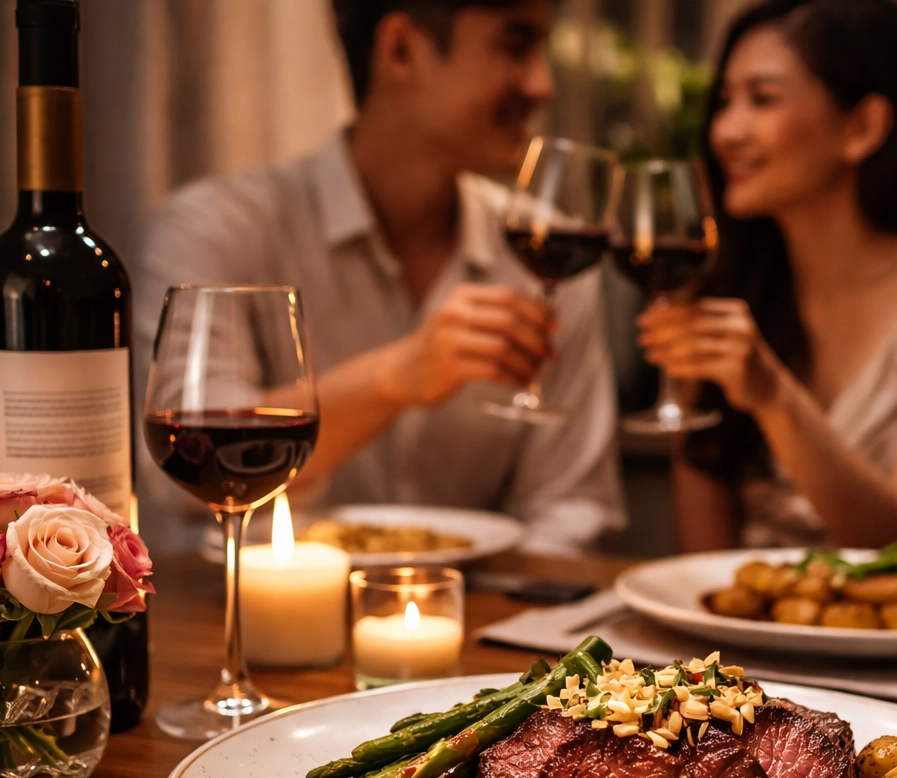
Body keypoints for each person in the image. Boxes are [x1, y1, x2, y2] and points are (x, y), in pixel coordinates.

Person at [136, 0, 624, 554]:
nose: (543, 85)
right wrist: (396, 376)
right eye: (516, 46)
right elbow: (190, 476)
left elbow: (573, 510)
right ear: (401, 51)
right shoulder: (216, 229)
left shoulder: (546, 260)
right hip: (248, 621)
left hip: (475, 622)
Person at [637, 0, 897, 554]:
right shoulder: (726, 288)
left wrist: (772, 396)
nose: (725, 132)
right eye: (725, 102)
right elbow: (702, 566)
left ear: (863, 126)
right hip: (750, 630)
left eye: (762, 100)